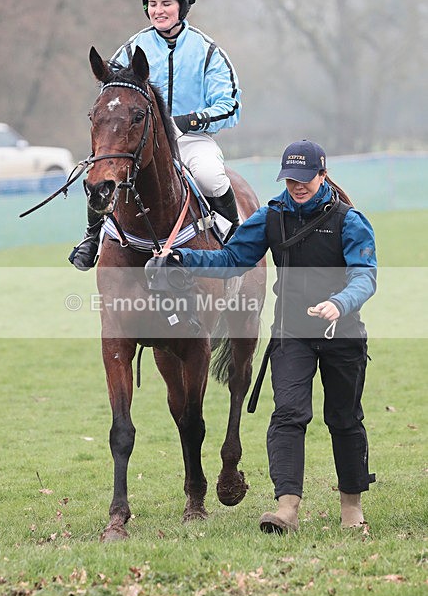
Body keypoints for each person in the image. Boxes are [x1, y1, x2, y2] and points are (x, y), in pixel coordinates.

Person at [147, 139, 377, 533]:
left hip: (342, 333)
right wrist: (184, 257)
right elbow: (231, 258)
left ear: (322, 174)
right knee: (287, 415)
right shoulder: (272, 216)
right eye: (290, 178)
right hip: (291, 334)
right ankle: (287, 508)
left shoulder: (348, 220)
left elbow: (365, 275)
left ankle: (351, 509)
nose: (297, 185)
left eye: (305, 178)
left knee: (344, 418)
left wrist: (341, 302)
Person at [70, 0, 242, 270]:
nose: (158, 10)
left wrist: (186, 121)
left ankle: (237, 241)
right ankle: (91, 237)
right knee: (100, 174)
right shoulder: (132, 48)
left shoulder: (208, 51)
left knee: (211, 177)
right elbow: (111, 99)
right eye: (152, 4)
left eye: (166, 3)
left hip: (190, 138)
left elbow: (229, 105)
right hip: (138, 138)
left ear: (182, 7)